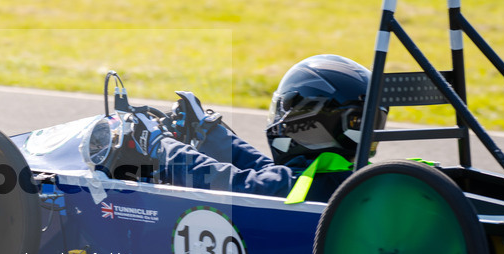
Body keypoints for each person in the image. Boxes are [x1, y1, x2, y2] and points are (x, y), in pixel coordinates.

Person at [127, 54, 386, 199]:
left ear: (306, 122)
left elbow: (225, 180)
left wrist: (160, 145)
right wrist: (210, 132)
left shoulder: (291, 187)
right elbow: (266, 172)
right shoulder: (353, 179)